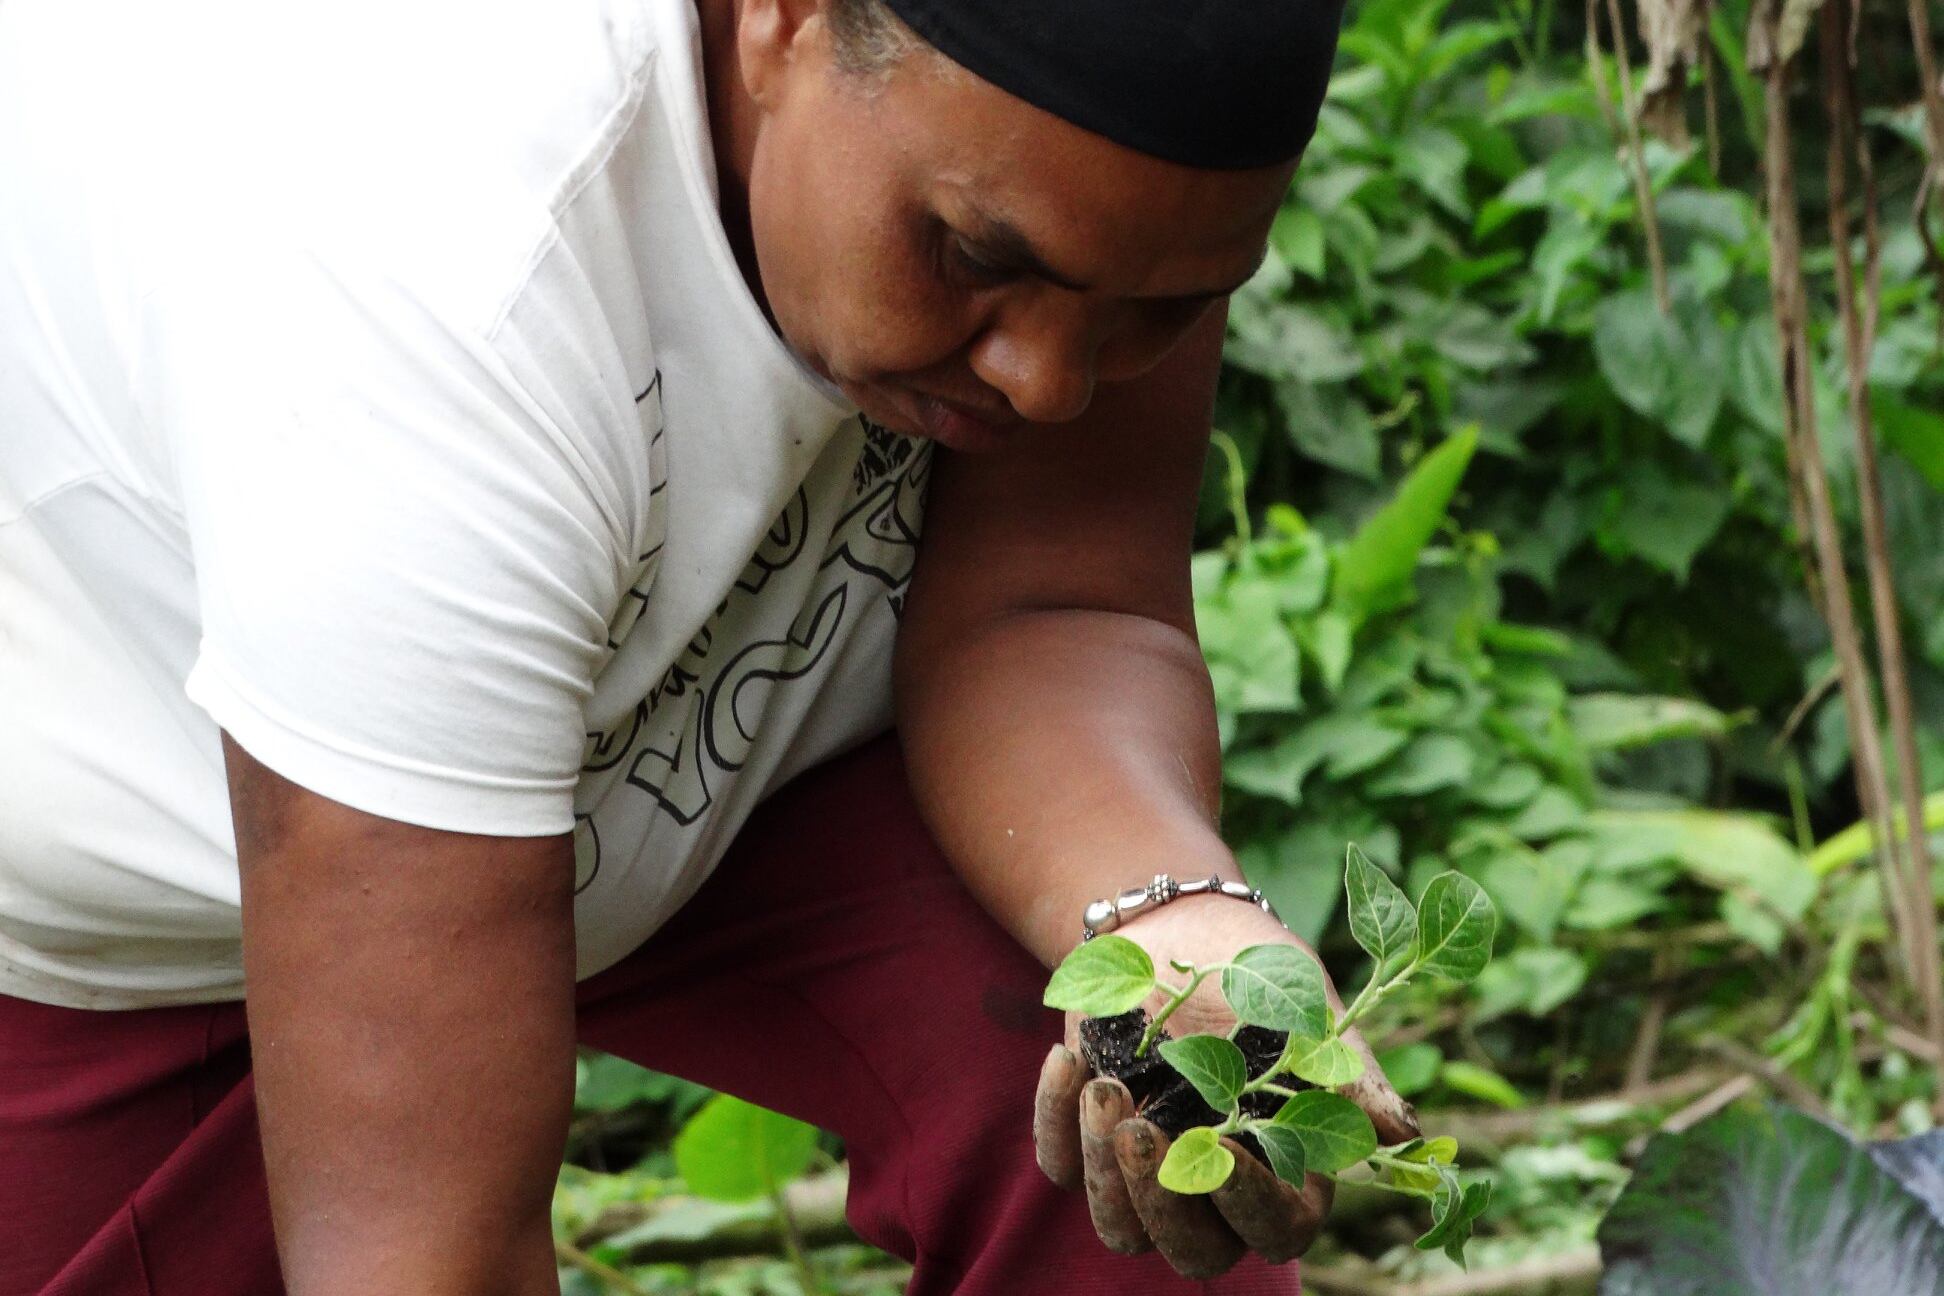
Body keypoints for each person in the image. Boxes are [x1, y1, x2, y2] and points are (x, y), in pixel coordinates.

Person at [0, 0, 1415, 1291]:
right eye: (979, 260)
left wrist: (1163, 919)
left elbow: (1058, 603)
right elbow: (421, 1254)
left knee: (1150, 1098)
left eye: (1155, 309)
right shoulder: (433, 274)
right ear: (780, 22)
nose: (1049, 382)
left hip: (743, 736)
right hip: (178, 885)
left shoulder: (1088, 162)